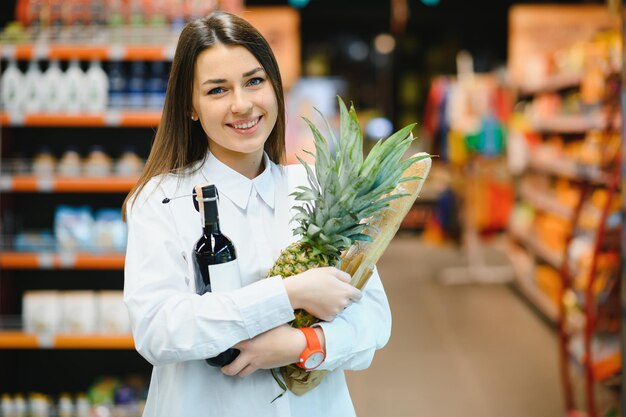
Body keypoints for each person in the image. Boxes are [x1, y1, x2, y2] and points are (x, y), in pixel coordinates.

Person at [122, 11, 391, 417]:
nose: (242, 104)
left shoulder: (316, 187)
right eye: (217, 90)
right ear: (191, 106)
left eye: (254, 81)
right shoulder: (162, 199)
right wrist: (288, 295)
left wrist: (304, 345)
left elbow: (374, 320)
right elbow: (157, 330)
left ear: (275, 87)